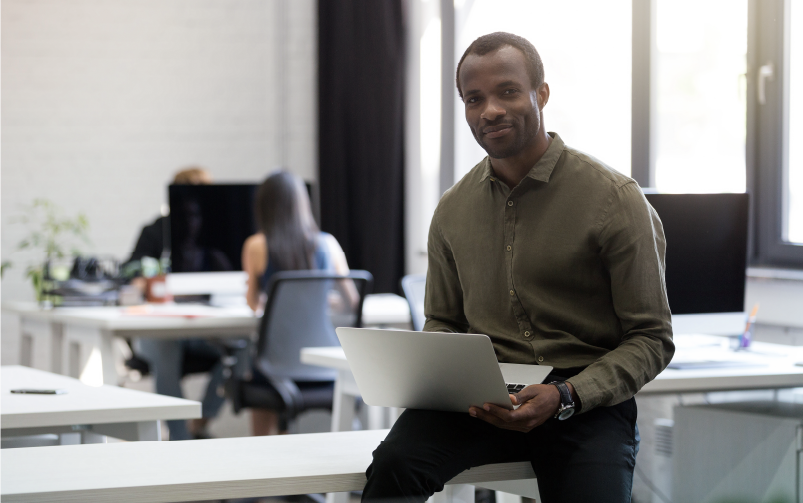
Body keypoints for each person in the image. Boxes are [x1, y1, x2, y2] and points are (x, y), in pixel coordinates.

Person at [361, 32, 675, 503]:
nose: (490, 110)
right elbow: (443, 321)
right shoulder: (452, 209)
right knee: (392, 471)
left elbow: (652, 338)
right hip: (482, 400)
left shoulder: (614, 199)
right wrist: (450, 371)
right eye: (474, 98)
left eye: (507, 91)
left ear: (540, 94)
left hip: (581, 403)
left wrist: (566, 394)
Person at [241, 170, 353, 435]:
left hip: (275, 366)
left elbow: (252, 304)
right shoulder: (329, 244)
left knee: (256, 367)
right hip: (325, 365)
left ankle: (262, 451)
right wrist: (319, 301)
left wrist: (280, 302)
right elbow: (352, 302)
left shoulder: (256, 246)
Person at [130, 166, 227, 441]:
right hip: (162, 328)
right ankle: (180, 439)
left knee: (245, 351)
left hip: (203, 330)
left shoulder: (216, 247)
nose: (191, 218)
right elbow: (131, 273)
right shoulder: (154, 232)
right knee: (165, 349)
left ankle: (201, 422)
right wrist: (147, 279)